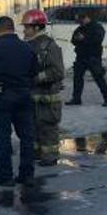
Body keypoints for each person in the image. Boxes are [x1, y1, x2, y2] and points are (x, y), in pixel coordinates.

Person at [0, 16, 39, 187]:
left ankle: (5, 176)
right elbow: (34, 70)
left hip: (3, 96)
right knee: (27, 136)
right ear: (12, 28)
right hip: (24, 95)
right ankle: (27, 175)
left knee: (3, 136)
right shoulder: (27, 47)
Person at [22, 9, 64, 167]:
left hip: (47, 97)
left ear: (37, 28)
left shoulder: (49, 46)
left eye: (27, 27)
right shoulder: (27, 45)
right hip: (31, 96)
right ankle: (36, 153)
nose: (24, 30)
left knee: (47, 128)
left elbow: (57, 71)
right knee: (32, 128)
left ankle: (50, 155)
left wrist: (36, 77)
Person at [68, 10, 107, 106]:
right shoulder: (79, 29)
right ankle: (76, 99)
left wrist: (84, 39)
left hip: (93, 57)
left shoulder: (97, 27)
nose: (80, 22)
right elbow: (73, 40)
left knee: (99, 78)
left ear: (86, 18)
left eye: (81, 20)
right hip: (81, 57)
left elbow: (98, 39)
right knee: (77, 78)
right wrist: (78, 39)